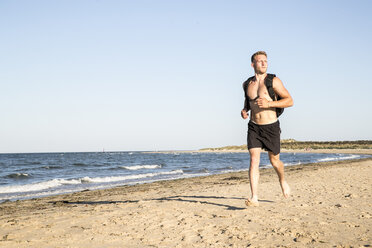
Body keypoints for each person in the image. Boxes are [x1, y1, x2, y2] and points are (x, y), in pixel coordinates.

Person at [241, 51, 293, 207]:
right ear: (253, 64)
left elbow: (289, 101)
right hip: (254, 127)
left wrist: (269, 104)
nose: (264, 63)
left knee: (274, 161)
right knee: (253, 161)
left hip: (271, 127)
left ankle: (282, 180)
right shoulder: (247, 84)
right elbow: (248, 102)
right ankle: (254, 197)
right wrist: (244, 111)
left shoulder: (274, 81)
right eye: (260, 61)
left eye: (265, 61)